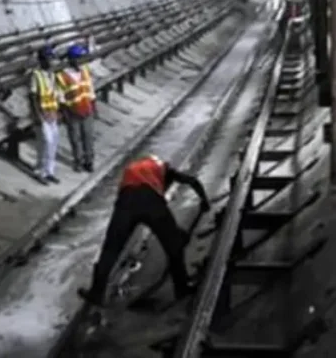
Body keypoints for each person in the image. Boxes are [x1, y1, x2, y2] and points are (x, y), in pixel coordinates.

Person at [78, 155, 211, 306]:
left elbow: (129, 200)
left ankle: (96, 293)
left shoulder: (134, 167)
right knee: (174, 246)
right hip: (151, 201)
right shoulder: (164, 168)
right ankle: (181, 288)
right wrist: (204, 200)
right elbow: (192, 180)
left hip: (126, 200)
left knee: (110, 250)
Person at [56, 44, 97, 172]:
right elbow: (60, 97)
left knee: (88, 136)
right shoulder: (62, 76)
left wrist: (94, 107)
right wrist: (64, 113)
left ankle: (89, 161)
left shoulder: (85, 71)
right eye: (79, 58)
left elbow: (90, 90)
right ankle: (78, 161)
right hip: (72, 111)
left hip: (87, 109)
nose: (82, 61)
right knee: (75, 138)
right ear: (72, 60)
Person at [29, 45, 61, 184]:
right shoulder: (36, 75)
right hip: (42, 113)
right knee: (45, 142)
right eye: (48, 58)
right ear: (42, 60)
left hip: (52, 113)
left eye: (51, 58)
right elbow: (33, 96)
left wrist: (57, 111)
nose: (51, 61)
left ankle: (49, 171)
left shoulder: (52, 76)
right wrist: (37, 115)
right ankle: (39, 170)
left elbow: (54, 95)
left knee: (53, 142)